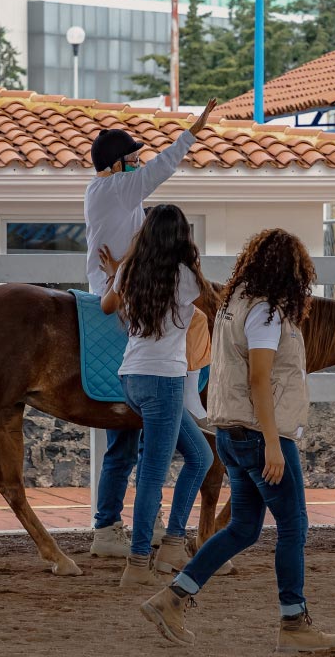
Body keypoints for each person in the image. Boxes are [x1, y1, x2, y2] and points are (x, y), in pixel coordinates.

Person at [140, 229, 335, 652]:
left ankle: (173, 597)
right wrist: (273, 442)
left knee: (243, 528)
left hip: (233, 435)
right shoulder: (267, 313)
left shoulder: (234, 304)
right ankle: (294, 623)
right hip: (259, 435)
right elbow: (259, 376)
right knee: (293, 526)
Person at [86, 100, 217, 560]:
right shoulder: (119, 189)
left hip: (121, 280)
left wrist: (122, 268)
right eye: (132, 158)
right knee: (198, 319)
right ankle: (187, 393)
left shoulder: (118, 196)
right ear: (119, 165)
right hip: (126, 292)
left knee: (127, 439)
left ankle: (119, 524)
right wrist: (191, 133)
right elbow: (161, 168)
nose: (139, 164)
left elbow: (140, 247)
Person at [100, 204, 216, 587]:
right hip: (164, 381)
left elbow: (106, 305)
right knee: (152, 475)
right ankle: (137, 563)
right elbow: (211, 301)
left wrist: (118, 269)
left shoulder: (129, 273)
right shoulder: (186, 277)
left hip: (131, 379)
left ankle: (172, 543)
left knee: (199, 456)